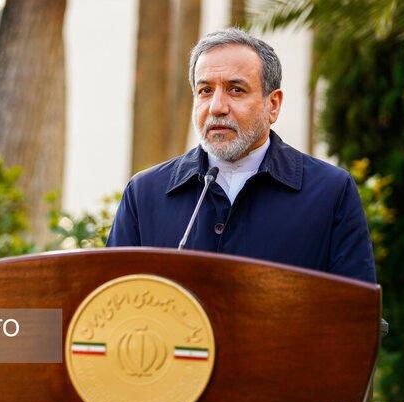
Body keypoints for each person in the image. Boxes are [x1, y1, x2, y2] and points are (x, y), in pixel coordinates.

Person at [107, 28, 376, 283]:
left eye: (236, 89)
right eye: (205, 91)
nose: (217, 107)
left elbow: (353, 310)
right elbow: (112, 301)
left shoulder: (330, 192)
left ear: (273, 105)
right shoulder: (144, 193)